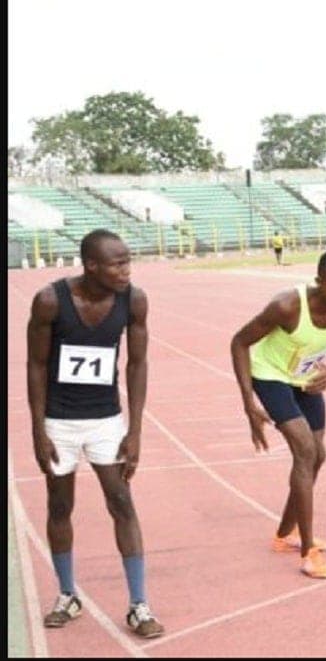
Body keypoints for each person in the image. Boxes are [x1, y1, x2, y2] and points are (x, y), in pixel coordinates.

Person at [26, 229, 164, 638]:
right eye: (118, 263)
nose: (127, 270)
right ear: (91, 266)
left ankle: (139, 604)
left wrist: (135, 429)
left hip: (106, 419)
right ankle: (68, 594)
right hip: (59, 420)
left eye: (128, 261)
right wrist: (38, 430)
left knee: (122, 502)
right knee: (59, 506)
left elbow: (137, 365)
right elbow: (35, 365)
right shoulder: (50, 301)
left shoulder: (133, 300)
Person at [231, 249, 326, 579]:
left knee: (318, 455)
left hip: (306, 379)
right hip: (270, 375)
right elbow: (239, 343)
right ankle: (308, 553)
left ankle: (284, 534)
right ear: (319, 282)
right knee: (305, 451)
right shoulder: (287, 306)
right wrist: (249, 404)